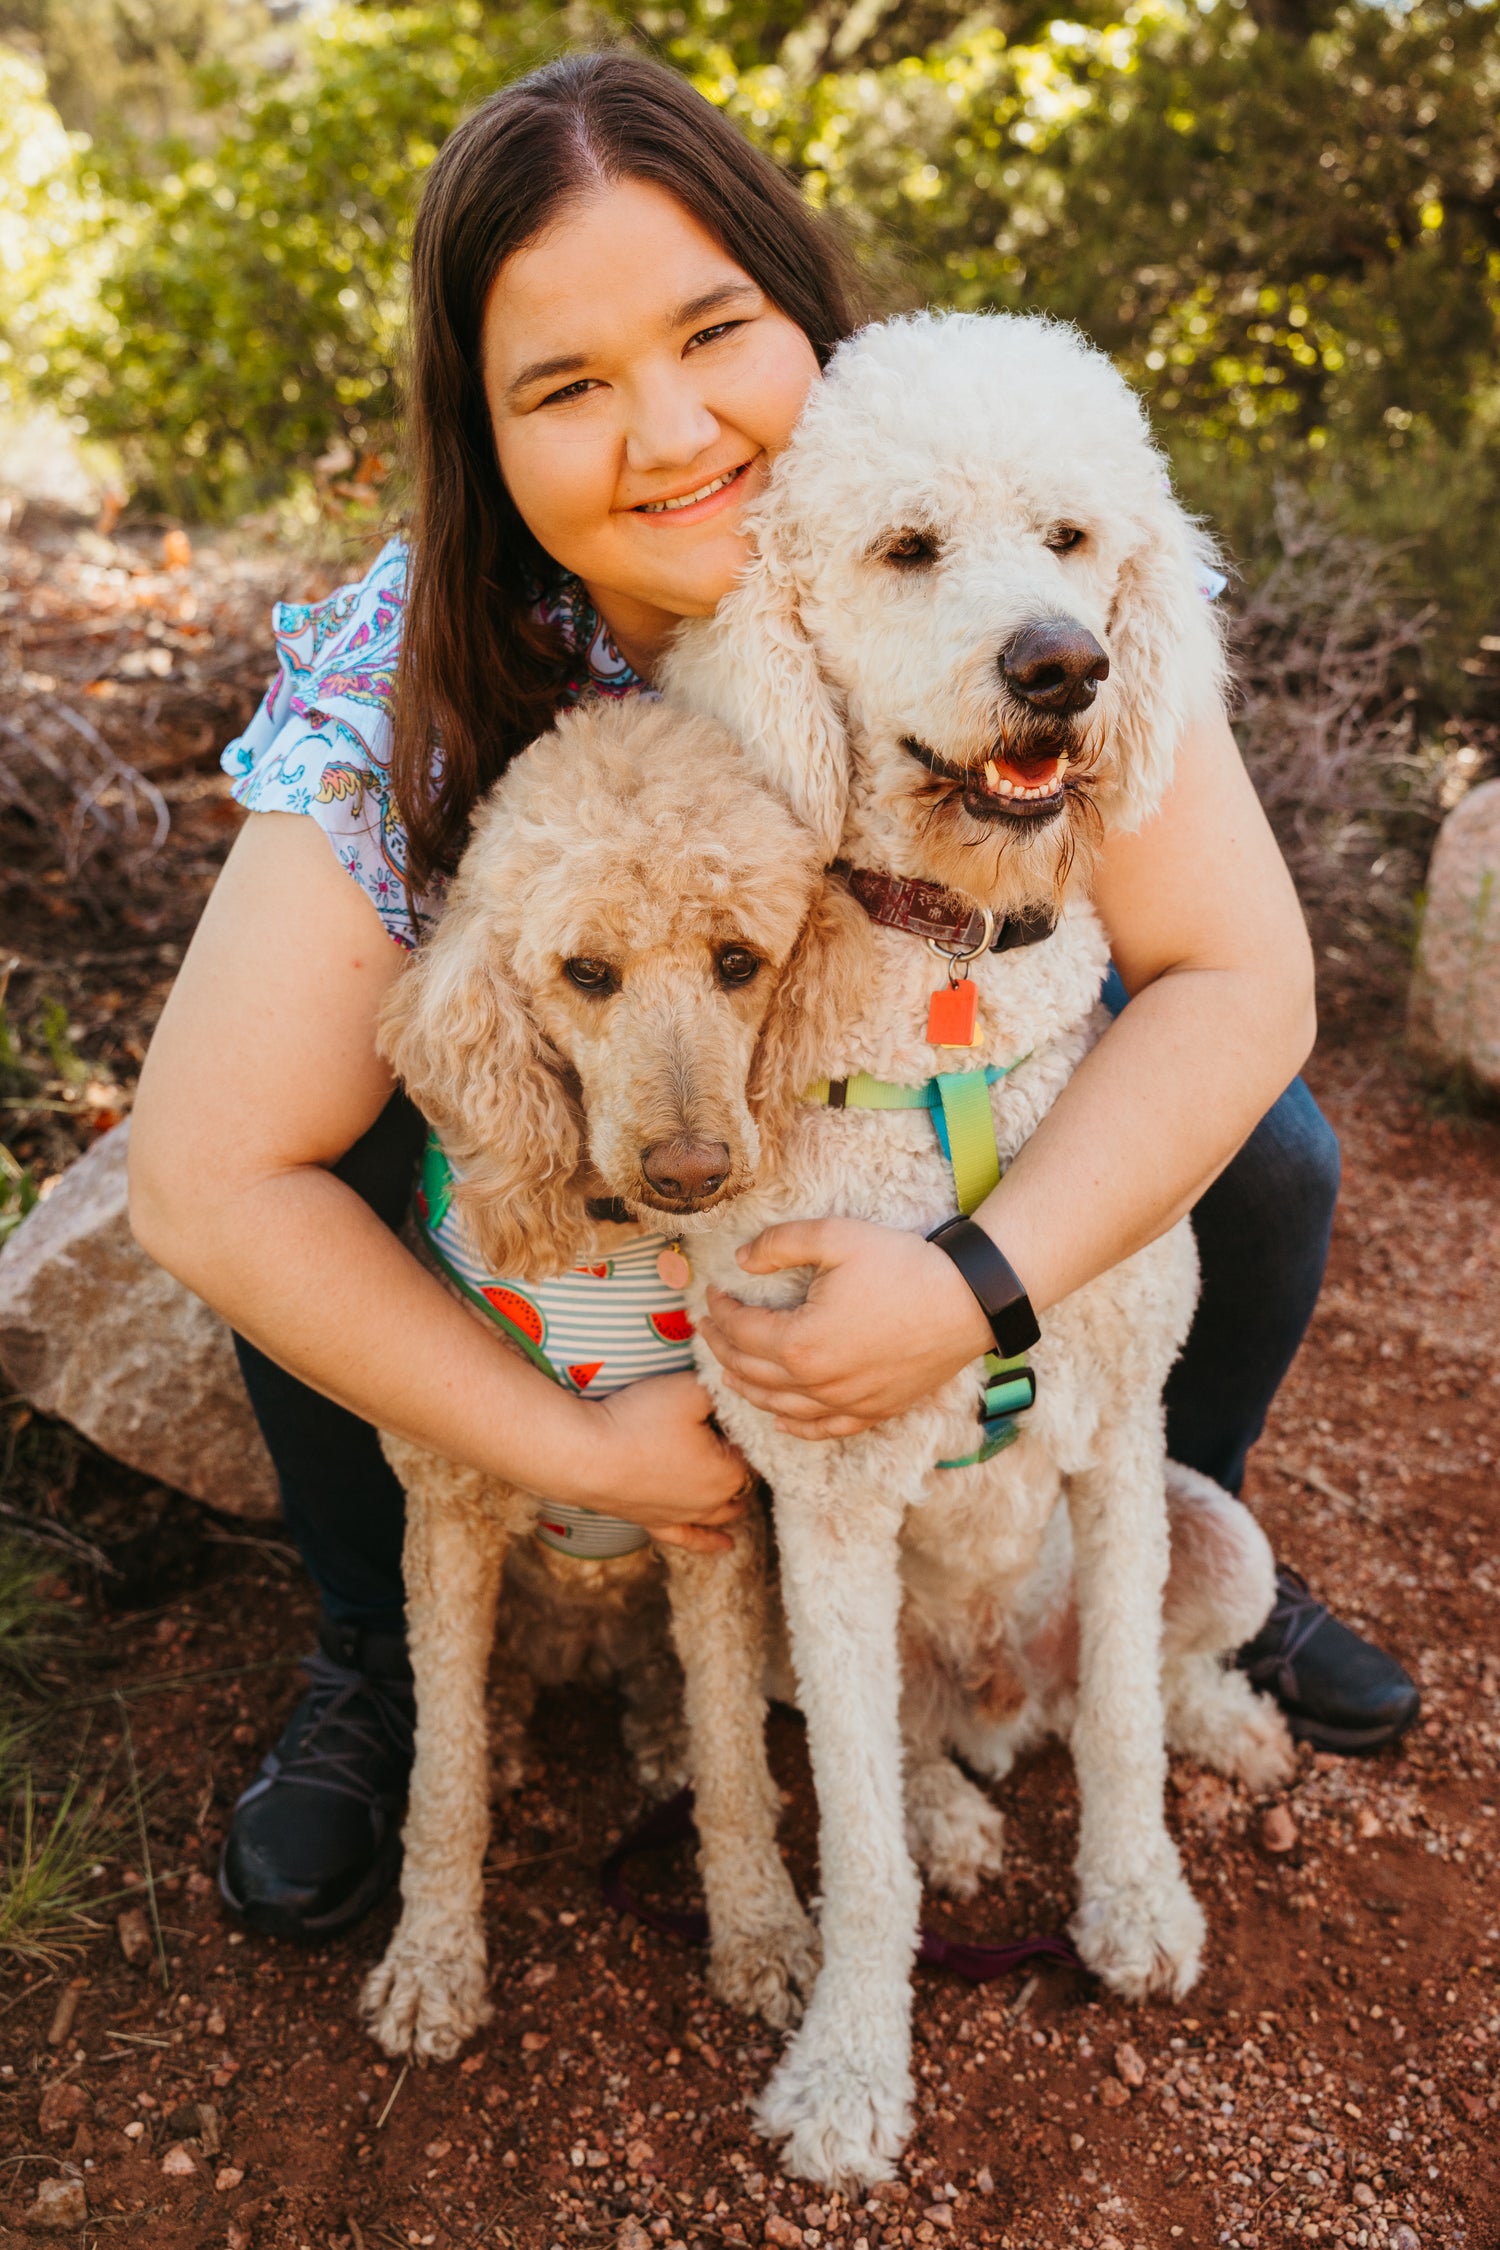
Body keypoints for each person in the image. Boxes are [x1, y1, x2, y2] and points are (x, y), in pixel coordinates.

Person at [127, 51, 1418, 1944]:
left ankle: (1134, 1517)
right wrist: (585, 1452)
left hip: (939, 1104)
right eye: (564, 387)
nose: (667, 434)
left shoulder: (980, 491)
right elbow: (203, 1176)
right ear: (480, 435)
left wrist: (975, 1287)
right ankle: (381, 1660)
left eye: (713, 329)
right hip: (646, 1156)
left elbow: (1241, 974)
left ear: (805, 312)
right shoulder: (418, 664)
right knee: (401, 1132)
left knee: (1269, 1148)